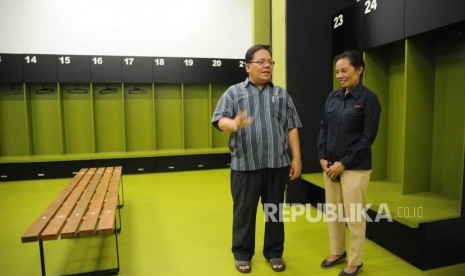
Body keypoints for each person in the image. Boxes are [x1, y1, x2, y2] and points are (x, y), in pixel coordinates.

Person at [211, 44, 302, 273]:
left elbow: (291, 127)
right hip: (245, 165)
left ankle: (274, 252)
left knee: (274, 212)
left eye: (270, 61)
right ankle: (242, 254)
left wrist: (297, 158)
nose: (267, 65)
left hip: (277, 164)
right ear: (248, 66)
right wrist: (232, 124)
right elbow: (219, 119)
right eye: (261, 61)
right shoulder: (234, 92)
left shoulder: (281, 94)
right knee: (244, 212)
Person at [317, 50, 381, 276]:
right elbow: (324, 128)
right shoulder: (332, 97)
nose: (340, 75)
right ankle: (337, 252)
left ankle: (355, 261)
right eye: (337, 71)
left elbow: (367, 138)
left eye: (344, 70)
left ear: (360, 69)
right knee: (334, 214)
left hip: (354, 168)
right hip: (330, 166)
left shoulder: (369, 99)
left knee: (354, 216)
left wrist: (343, 163)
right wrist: (323, 157)